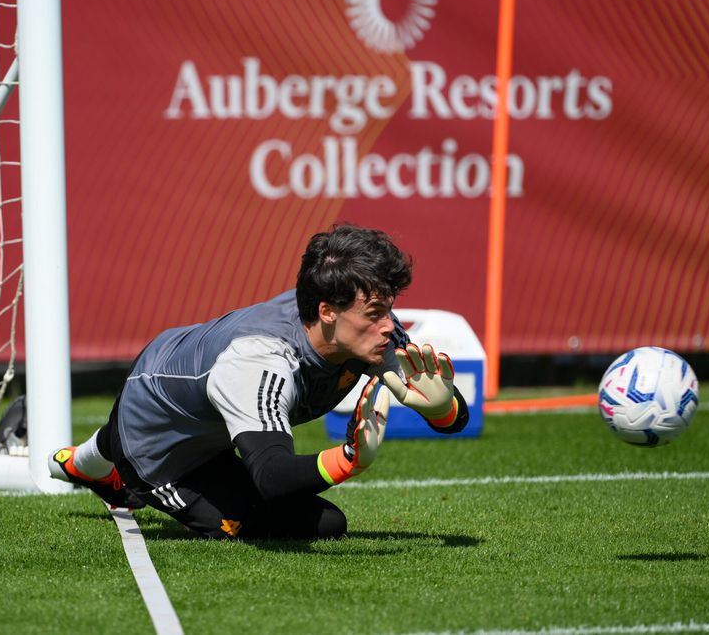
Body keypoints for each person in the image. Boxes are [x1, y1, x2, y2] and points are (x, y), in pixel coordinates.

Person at [48, 224, 469, 540]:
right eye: (375, 312)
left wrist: (442, 408)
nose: (388, 325)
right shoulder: (258, 361)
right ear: (327, 311)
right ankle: (120, 477)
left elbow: (452, 417)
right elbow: (272, 474)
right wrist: (349, 459)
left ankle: (87, 463)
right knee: (319, 524)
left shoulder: (364, 327)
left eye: (388, 308)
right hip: (157, 439)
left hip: (192, 393)